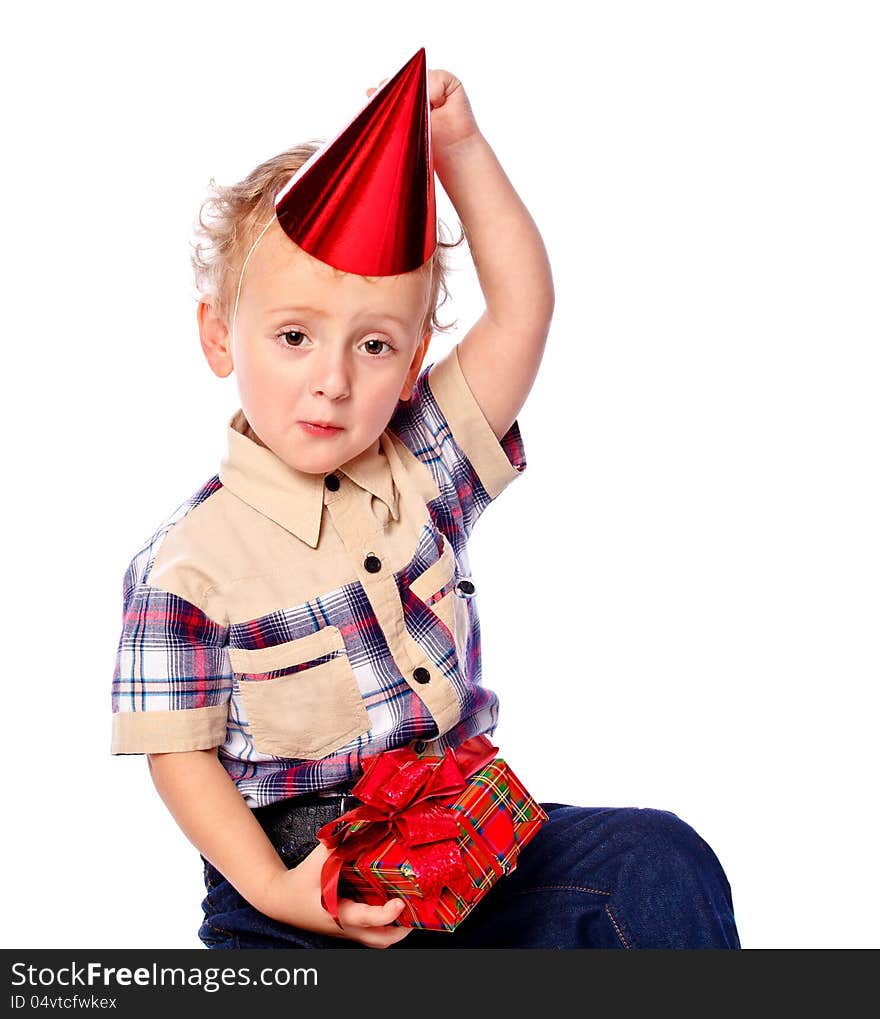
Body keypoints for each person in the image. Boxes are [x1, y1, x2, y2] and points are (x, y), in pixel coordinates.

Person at [111, 50, 740, 949]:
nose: (331, 380)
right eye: (295, 335)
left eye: (373, 347)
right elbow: (180, 752)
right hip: (298, 880)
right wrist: (281, 889)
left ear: (412, 364)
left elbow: (522, 309)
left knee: (656, 859)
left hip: (465, 843)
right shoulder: (184, 564)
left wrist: (463, 152)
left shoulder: (426, 460)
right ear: (220, 335)